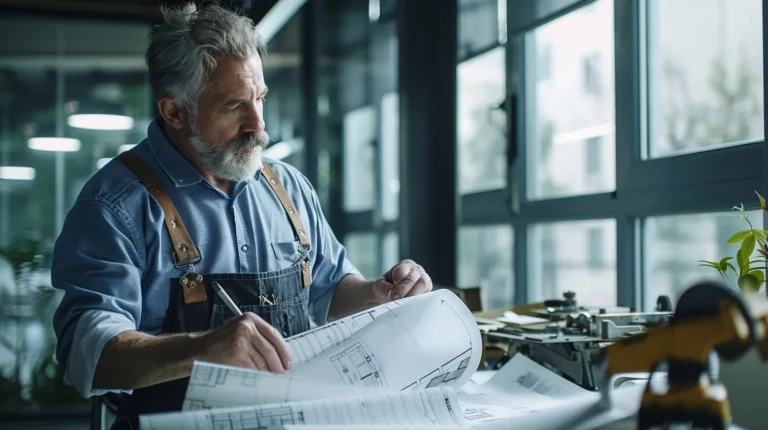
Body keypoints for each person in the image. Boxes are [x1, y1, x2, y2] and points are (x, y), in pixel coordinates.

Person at [51, 3, 432, 428]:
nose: (258, 124)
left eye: (260, 98)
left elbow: (331, 289)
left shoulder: (289, 188)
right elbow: (87, 355)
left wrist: (378, 293)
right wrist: (200, 350)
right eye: (234, 105)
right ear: (175, 112)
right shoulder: (115, 206)